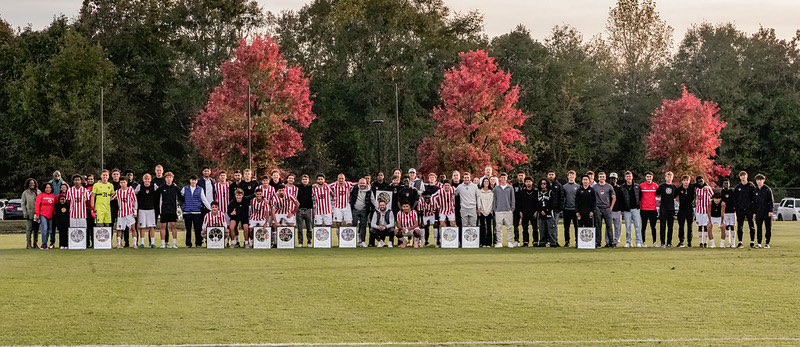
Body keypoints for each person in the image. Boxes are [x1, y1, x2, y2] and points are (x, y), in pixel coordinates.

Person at [182, 175, 211, 248]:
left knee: (197, 229)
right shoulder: (185, 189)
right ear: (190, 180)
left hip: (197, 212)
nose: (193, 181)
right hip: (187, 212)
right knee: (188, 229)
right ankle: (188, 244)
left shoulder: (200, 189)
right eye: (192, 180)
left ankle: (198, 243)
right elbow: (180, 197)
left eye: (194, 180)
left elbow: (204, 200)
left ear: (197, 181)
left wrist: (211, 209)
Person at [156, 172, 180, 248]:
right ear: (165, 178)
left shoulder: (176, 188)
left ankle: (174, 244)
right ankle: (163, 244)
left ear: (172, 178)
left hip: (173, 210)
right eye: (167, 177)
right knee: (163, 226)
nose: (169, 179)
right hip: (164, 210)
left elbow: (180, 198)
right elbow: (156, 198)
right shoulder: (161, 188)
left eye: (170, 177)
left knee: (173, 226)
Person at [91, 170, 115, 248]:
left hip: (107, 208)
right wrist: (92, 206)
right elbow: (93, 196)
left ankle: (107, 243)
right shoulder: (96, 185)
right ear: (101, 176)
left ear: (108, 176)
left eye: (106, 175)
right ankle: (98, 243)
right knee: (99, 225)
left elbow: (113, 196)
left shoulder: (110, 185)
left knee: (107, 225)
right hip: (99, 208)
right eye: (103, 175)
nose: (105, 177)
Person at [112, 177, 138, 249]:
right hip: (121, 213)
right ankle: (119, 244)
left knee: (133, 228)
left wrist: (135, 211)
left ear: (126, 182)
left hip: (129, 212)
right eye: (121, 182)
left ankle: (135, 244)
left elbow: (135, 201)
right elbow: (111, 197)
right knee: (119, 229)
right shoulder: (117, 192)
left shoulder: (130, 191)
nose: (123, 184)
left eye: (124, 182)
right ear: (119, 183)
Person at [733, 171, 756, 248]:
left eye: (744, 175)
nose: (743, 177)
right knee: (740, 226)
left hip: (750, 209)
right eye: (741, 175)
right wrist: (737, 208)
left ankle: (752, 242)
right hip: (740, 210)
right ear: (740, 177)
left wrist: (753, 209)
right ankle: (740, 242)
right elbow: (735, 199)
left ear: (747, 176)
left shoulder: (751, 186)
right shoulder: (737, 187)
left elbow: (754, 198)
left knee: (751, 225)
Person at [593, 172, 616, 247]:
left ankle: (611, 242)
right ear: (598, 178)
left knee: (609, 226)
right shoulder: (594, 187)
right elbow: (592, 198)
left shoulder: (609, 186)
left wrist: (611, 207)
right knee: (598, 226)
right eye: (600, 177)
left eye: (603, 176)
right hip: (598, 208)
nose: (602, 178)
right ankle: (598, 243)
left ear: (605, 178)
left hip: (607, 208)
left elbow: (614, 197)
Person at [135, 173, 158, 248]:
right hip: (142, 209)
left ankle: (152, 243)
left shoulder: (154, 186)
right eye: (145, 179)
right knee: (142, 227)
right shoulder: (139, 186)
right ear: (143, 179)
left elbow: (159, 192)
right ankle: (142, 243)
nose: (147, 180)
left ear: (150, 179)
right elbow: (133, 194)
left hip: (151, 209)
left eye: (148, 179)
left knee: (151, 227)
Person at [619, 171, 642, 247]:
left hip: (636, 209)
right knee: (628, 226)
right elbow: (621, 199)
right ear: (625, 178)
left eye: (630, 176)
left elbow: (640, 197)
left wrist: (639, 206)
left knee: (637, 226)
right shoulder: (622, 188)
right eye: (627, 176)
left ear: (632, 177)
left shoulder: (637, 186)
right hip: (627, 210)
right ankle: (629, 242)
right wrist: (622, 210)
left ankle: (638, 242)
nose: (628, 178)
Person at [492, 173, 515, 248]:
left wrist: (512, 209)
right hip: (498, 211)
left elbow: (512, 199)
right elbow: (494, 199)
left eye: (504, 177)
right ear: (500, 179)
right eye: (502, 177)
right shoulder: (496, 188)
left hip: (508, 210)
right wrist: (495, 209)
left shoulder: (510, 187)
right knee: (498, 228)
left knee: (509, 227)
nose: (503, 179)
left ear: (506, 178)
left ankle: (509, 242)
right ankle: (499, 242)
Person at [350, 178, 374, 247]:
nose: (362, 185)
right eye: (361, 183)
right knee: (354, 225)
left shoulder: (369, 190)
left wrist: (378, 208)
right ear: (358, 183)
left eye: (363, 183)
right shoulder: (354, 188)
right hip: (355, 209)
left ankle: (362, 241)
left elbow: (373, 200)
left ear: (366, 183)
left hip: (364, 210)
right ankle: (352, 241)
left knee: (363, 226)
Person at [656, 171, 678, 247]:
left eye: (670, 177)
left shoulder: (674, 187)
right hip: (663, 208)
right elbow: (657, 193)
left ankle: (669, 243)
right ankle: (662, 243)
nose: (669, 178)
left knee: (670, 226)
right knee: (662, 226)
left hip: (671, 208)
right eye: (667, 177)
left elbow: (675, 196)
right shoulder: (661, 186)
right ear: (665, 177)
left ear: (672, 178)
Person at [753, 174, 774, 248]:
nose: (759, 181)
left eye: (760, 180)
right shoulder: (755, 190)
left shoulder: (767, 189)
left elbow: (771, 201)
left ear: (763, 180)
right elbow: (754, 202)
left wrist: (771, 211)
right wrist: (754, 213)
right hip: (759, 212)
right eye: (758, 180)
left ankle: (767, 243)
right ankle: (759, 243)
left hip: (767, 212)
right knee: (759, 228)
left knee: (768, 228)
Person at [536, 178, 558, 247]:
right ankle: (542, 242)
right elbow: (536, 203)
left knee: (551, 228)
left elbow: (553, 203)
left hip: (549, 213)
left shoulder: (550, 192)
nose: (543, 185)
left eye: (544, 184)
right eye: (541, 184)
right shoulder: (538, 193)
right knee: (542, 229)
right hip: (541, 213)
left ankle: (553, 242)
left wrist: (546, 210)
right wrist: (540, 210)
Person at [638, 172, 658, 247]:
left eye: (650, 177)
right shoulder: (641, 186)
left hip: (653, 209)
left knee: (653, 227)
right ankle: (643, 242)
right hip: (644, 209)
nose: (648, 178)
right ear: (645, 177)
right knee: (643, 226)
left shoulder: (655, 186)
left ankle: (654, 242)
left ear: (652, 177)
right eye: (647, 177)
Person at [694, 176, 714, 248]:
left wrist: (707, 186)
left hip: (706, 210)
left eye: (701, 181)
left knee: (705, 226)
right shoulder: (696, 188)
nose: (700, 183)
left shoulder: (707, 188)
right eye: (699, 181)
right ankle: (701, 242)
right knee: (699, 226)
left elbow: (712, 195)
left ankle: (705, 242)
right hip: (698, 210)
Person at [675, 175, 695, 247]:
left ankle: (689, 242)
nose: (686, 182)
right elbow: (672, 196)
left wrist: (705, 185)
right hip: (681, 209)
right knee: (681, 226)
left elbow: (702, 183)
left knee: (690, 227)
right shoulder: (679, 189)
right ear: (682, 181)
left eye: (687, 180)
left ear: (689, 181)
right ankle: (681, 241)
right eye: (684, 180)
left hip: (690, 209)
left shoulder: (692, 187)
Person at [517, 177, 537, 247]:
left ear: (532, 183)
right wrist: (520, 212)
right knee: (525, 228)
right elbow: (519, 203)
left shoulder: (535, 192)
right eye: (527, 181)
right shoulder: (522, 192)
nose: (528, 183)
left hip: (533, 212)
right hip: (524, 212)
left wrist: (536, 211)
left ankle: (535, 241)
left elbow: (537, 203)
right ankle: (525, 241)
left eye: (529, 181)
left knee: (535, 228)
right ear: (525, 183)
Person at [35, 184, 56, 249]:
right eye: (46, 188)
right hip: (43, 215)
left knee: (50, 230)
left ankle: (51, 244)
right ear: (44, 188)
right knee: (44, 229)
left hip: (51, 215)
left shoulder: (52, 196)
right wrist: (37, 214)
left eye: (49, 188)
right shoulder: (40, 195)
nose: (48, 189)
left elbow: (54, 206)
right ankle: (44, 244)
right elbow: (37, 205)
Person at [22, 178, 41, 249]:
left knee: (36, 230)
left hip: (37, 214)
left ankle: (35, 244)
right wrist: (25, 212)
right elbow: (23, 204)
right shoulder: (25, 193)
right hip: (29, 213)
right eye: (30, 183)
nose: (32, 184)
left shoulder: (39, 192)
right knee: (29, 229)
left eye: (33, 183)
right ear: (28, 184)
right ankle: (28, 245)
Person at [562, 171, 579, 247]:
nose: (571, 177)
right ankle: (567, 241)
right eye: (570, 175)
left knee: (576, 227)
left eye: (573, 175)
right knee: (566, 227)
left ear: (575, 176)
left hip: (575, 210)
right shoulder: (564, 186)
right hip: (566, 209)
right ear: (568, 176)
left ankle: (577, 241)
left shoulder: (578, 186)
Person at [296, 174, 314, 247]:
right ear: (301, 180)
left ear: (308, 180)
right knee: (299, 228)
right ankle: (300, 242)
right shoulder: (298, 187)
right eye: (303, 179)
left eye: (306, 179)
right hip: (299, 210)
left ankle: (309, 241)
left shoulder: (311, 187)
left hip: (308, 210)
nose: (304, 181)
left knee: (309, 228)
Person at [477, 178, 495, 247]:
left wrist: (490, 210)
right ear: (483, 182)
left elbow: (492, 202)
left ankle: (489, 243)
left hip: (489, 210)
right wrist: (479, 208)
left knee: (489, 227)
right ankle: (483, 242)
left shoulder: (491, 192)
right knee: (482, 227)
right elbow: (479, 200)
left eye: (487, 181)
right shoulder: (480, 191)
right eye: (485, 181)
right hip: (482, 210)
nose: (486, 183)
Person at [720, 180, 737, 247]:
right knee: (726, 227)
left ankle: (733, 243)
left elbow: (735, 200)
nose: (726, 185)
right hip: (725, 212)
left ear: (729, 184)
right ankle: (728, 242)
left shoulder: (732, 191)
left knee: (732, 226)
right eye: (724, 183)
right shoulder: (722, 192)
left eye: (727, 183)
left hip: (732, 212)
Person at [609, 173, 624, 246]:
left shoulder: (619, 188)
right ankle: (608, 241)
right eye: (612, 178)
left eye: (614, 178)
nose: (613, 180)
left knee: (618, 227)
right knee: (609, 227)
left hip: (618, 210)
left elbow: (622, 200)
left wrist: (622, 210)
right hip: (609, 211)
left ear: (617, 179)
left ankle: (616, 241)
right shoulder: (607, 187)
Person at [512, 172, 526, 245]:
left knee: (524, 225)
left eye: (522, 176)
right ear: (517, 177)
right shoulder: (514, 186)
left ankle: (525, 240)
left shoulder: (527, 185)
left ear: (524, 176)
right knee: (515, 225)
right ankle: (516, 240)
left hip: (524, 209)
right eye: (519, 175)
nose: (521, 177)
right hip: (516, 208)